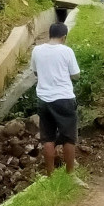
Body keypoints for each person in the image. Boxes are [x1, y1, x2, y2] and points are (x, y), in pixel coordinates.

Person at [30, 23, 85, 185]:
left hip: (44, 99)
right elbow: (76, 75)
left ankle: (50, 176)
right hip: (64, 99)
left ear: (50, 35)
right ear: (64, 37)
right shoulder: (66, 51)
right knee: (69, 137)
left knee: (48, 138)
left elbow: (35, 72)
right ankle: (70, 175)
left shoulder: (37, 50)